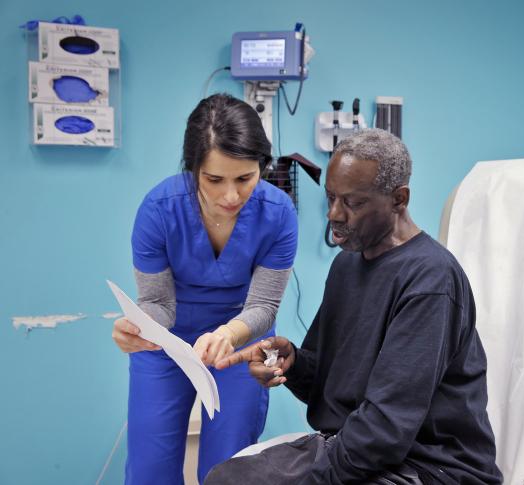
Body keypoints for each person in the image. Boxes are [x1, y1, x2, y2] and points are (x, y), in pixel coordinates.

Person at [205, 129, 503, 484]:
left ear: (399, 199)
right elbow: (329, 384)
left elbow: (387, 427)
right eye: (331, 198)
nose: (334, 214)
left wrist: (311, 478)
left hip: (430, 465)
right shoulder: (347, 265)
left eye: (353, 203)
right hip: (361, 448)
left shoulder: (430, 280)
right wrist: (293, 363)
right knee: (225, 479)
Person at [111, 93, 298, 484]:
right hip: (167, 344)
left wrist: (227, 334)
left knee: (228, 466)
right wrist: (138, 326)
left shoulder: (278, 214)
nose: (231, 196)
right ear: (193, 169)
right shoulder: (159, 210)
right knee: (150, 468)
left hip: (243, 340)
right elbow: (158, 302)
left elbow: (264, 304)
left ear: (261, 168)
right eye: (214, 180)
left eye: (245, 179)